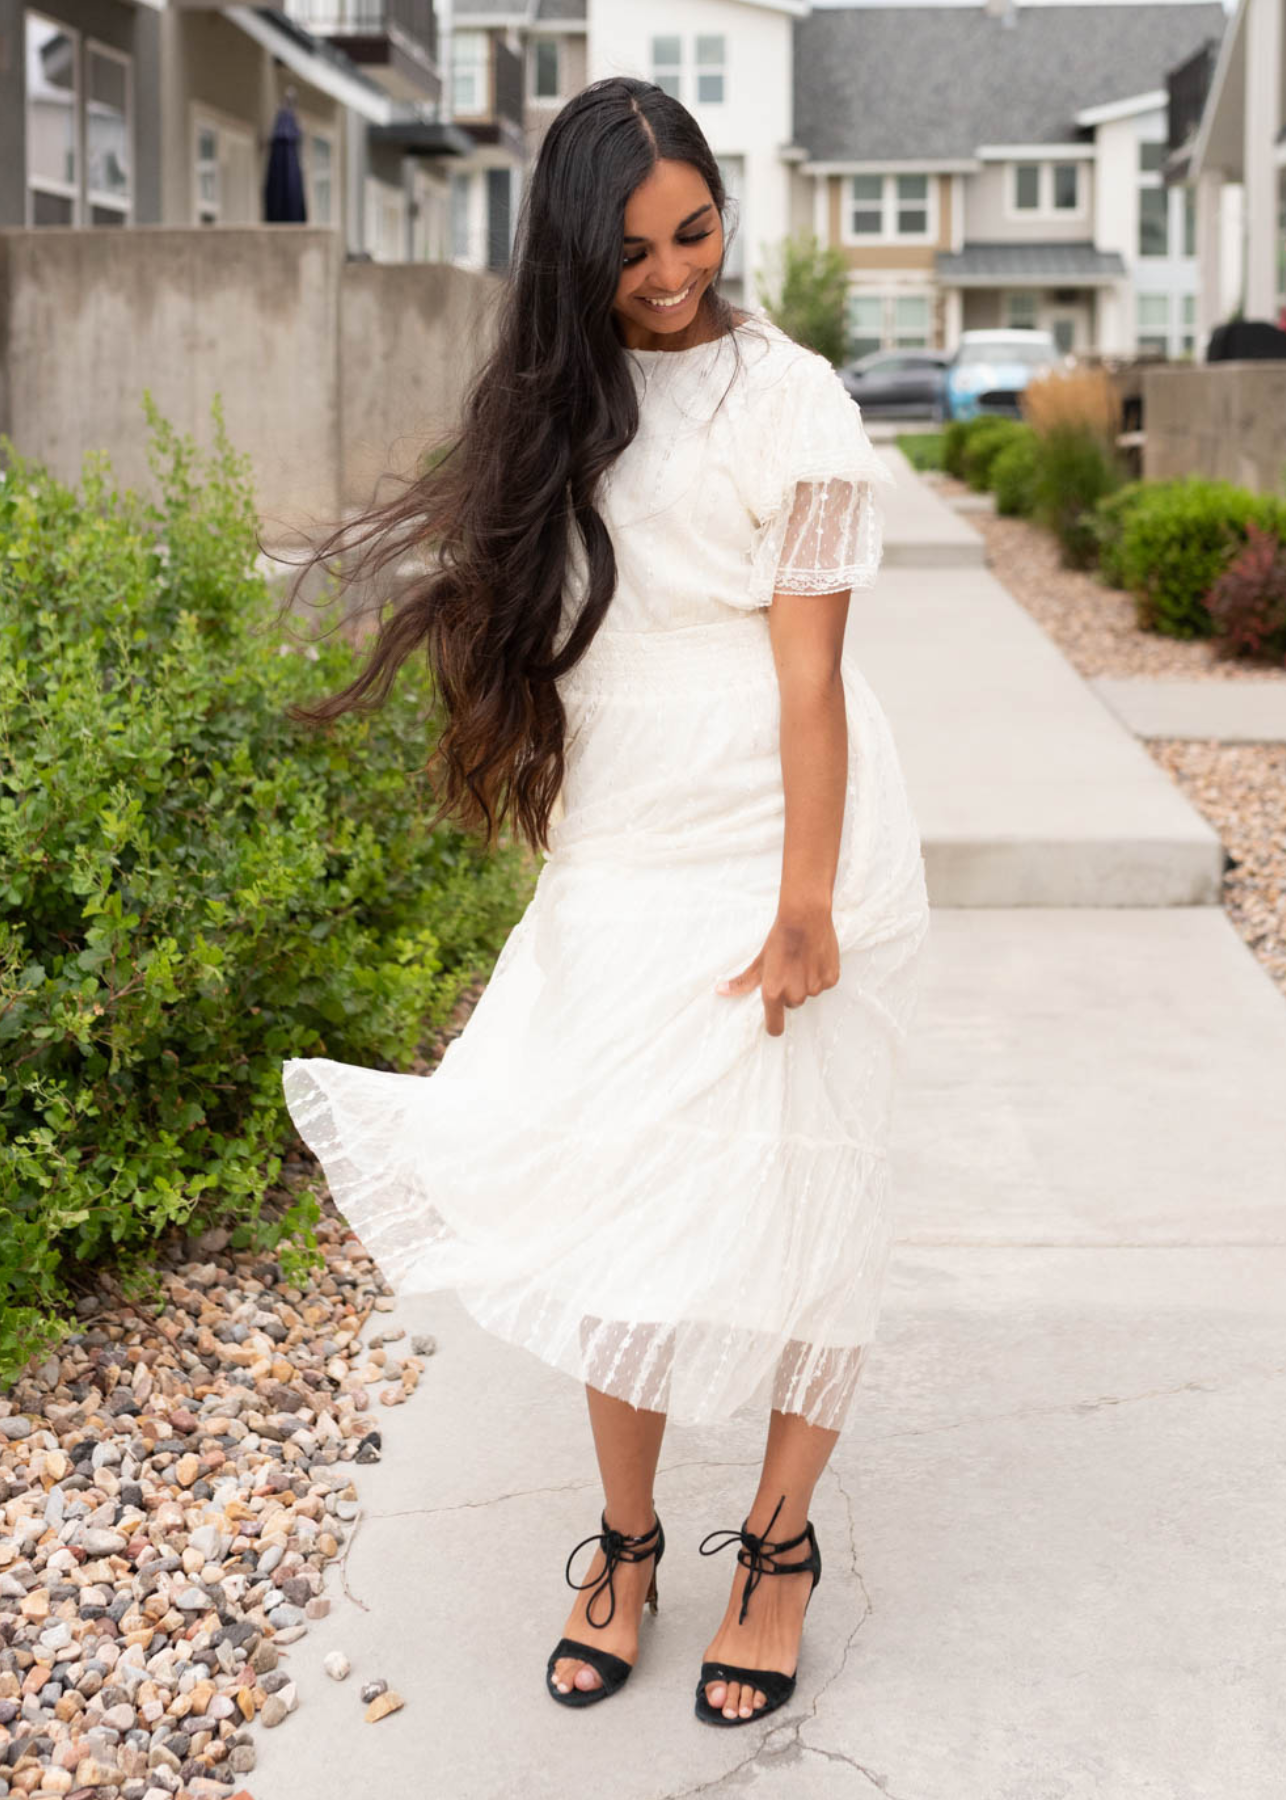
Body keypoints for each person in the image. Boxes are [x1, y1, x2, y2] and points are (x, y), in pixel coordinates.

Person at [279, 76, 930, 1727]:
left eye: (695, 229)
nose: (669, 271)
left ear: (726, 213)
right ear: (570, 253)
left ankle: (775, 1554)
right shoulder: (555, 406)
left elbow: (812, 688)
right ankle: (625, 1543)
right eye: (632, 246)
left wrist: (803, 902)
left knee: (804, 1195)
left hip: (780, 838)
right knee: (620, 1203)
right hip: (624, 850)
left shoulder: (794, 402)